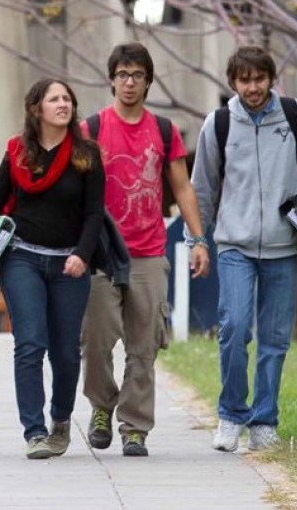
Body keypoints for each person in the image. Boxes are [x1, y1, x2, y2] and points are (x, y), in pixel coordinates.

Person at [189, 46, 297, 453]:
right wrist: (197, 241)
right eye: (244, 80)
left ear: (271, 79)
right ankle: (230, 414)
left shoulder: (296, 116)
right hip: (234, 246)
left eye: (260, 79)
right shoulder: (219, 123)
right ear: (233, 83)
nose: (253, 87)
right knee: (235, 329)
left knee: (275, 339)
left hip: (283, 246)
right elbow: (201, 189)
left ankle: (264, 421)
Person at [0, 78, 105, 460]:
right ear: (36, 109)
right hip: (22, 256)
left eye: (67, 98)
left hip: (69, 263)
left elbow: (93, 215)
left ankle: (60, 419)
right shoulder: (18, 153)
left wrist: (83, 255)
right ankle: (35, 431)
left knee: (66, 353)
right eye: (53, 99)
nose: (63, 104)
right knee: (29, 344)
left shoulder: (86, 154)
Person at [80, 42, 210, 457]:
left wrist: (198, 239)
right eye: (122, 74)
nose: (129, 82)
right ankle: (102, 405)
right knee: (96, 341)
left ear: (148, 81)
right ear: (112, 80)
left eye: (137, 75)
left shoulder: (165, 131)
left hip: (149, 251)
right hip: (101, 252)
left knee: (144, 344)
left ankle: (134, 425)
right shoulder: (92, 129)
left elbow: (182, 187)